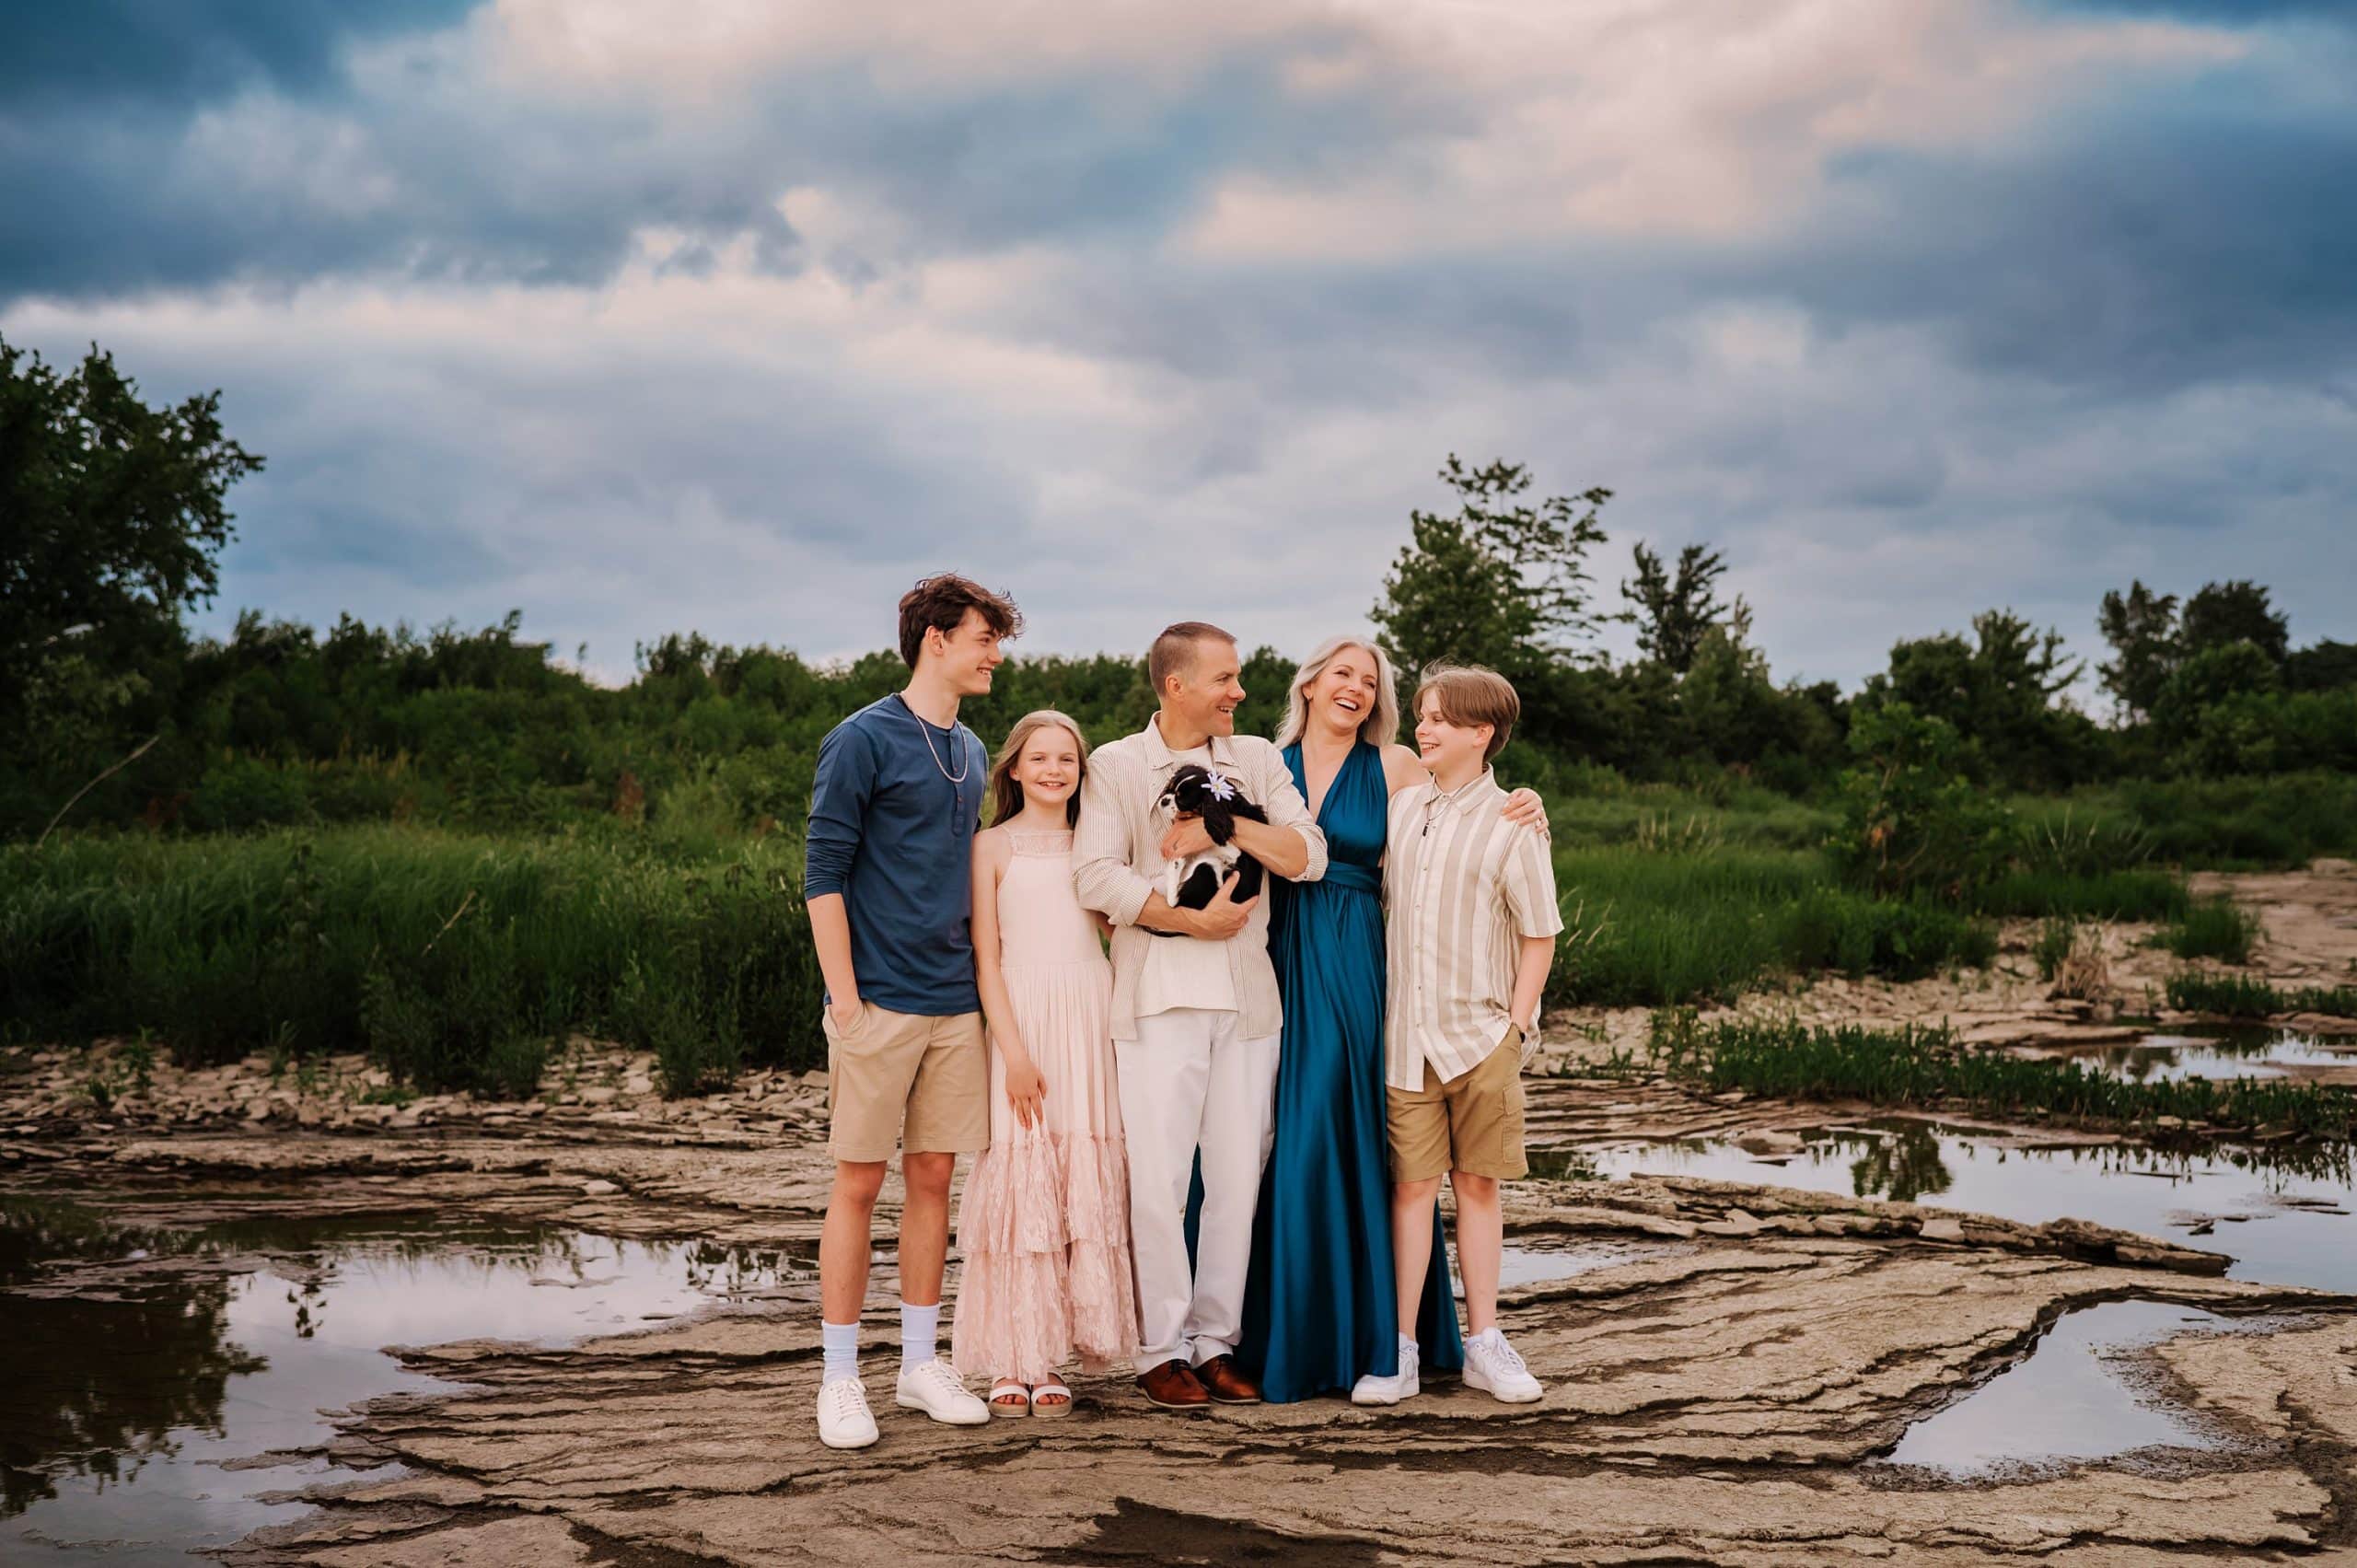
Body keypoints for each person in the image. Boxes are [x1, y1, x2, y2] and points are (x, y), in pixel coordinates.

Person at [1237, 636, 1548, 1402]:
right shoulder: (1259, 760)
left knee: (1357, 1136)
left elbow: (1477, 807)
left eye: (1371, 680)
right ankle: (1263, 1330)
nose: (1358, 688)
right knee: (1273, 1133)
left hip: (1358, 963)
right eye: (1343, 673)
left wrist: (1530, 802)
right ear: (1309, 682)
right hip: (1277, 949)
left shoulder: (1400, 770)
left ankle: (1411, 1338)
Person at [1072, 621, 1327, 1411]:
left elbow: (1307, 852)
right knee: (1159, 1181)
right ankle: (1160, 1348)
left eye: (1239, 678)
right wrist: (1187, 920)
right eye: (1225, 678)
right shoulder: (1116, 764)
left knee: (1236, 1176)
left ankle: (1215, 1343)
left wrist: (1223, 825)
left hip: (1249, 1003)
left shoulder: (1255, 758)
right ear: (1175, 685)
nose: (1239, 692)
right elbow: (1094, 875)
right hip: (1159, 999)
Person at [803, 574, 1019, 1449]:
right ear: (936, 637)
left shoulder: (970, 748)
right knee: (858, 1182)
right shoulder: (861, 737)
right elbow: (823, 875)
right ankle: (840, 1377)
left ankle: (920, 1364)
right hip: (879, 1005)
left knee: (934, 1180)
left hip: (954, 1006)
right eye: (983, 637)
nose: (994, 654)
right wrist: (847, 1002)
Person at [1353, 662, 1562, 1409]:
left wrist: (1515, 1026)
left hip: (1481, 1041)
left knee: (1478, 1186)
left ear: (1482, 733)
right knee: (1411, 1190)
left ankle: (1485, 1344)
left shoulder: (1514, 820)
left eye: (1439, 718)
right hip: (1405, 1041)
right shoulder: (1403, 807)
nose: (1424, 727)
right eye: (1421, 715)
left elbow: (1540, 933)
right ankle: (1402, 1352)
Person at [951, 710, 1140, 1416]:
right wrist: (1014, 1052)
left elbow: (1117, 927)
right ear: (1015, 769)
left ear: (1081, 770)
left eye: (1067, 758)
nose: (1055, 769)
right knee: (1021, 1188)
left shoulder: (1097, 846)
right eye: (1041, 758)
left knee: (1078, 1186)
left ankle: (1059, 1353)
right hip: (1022, 1018)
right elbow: (986, 958)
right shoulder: (990, 846)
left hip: (1091, 1013)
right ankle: (1014, 1356)